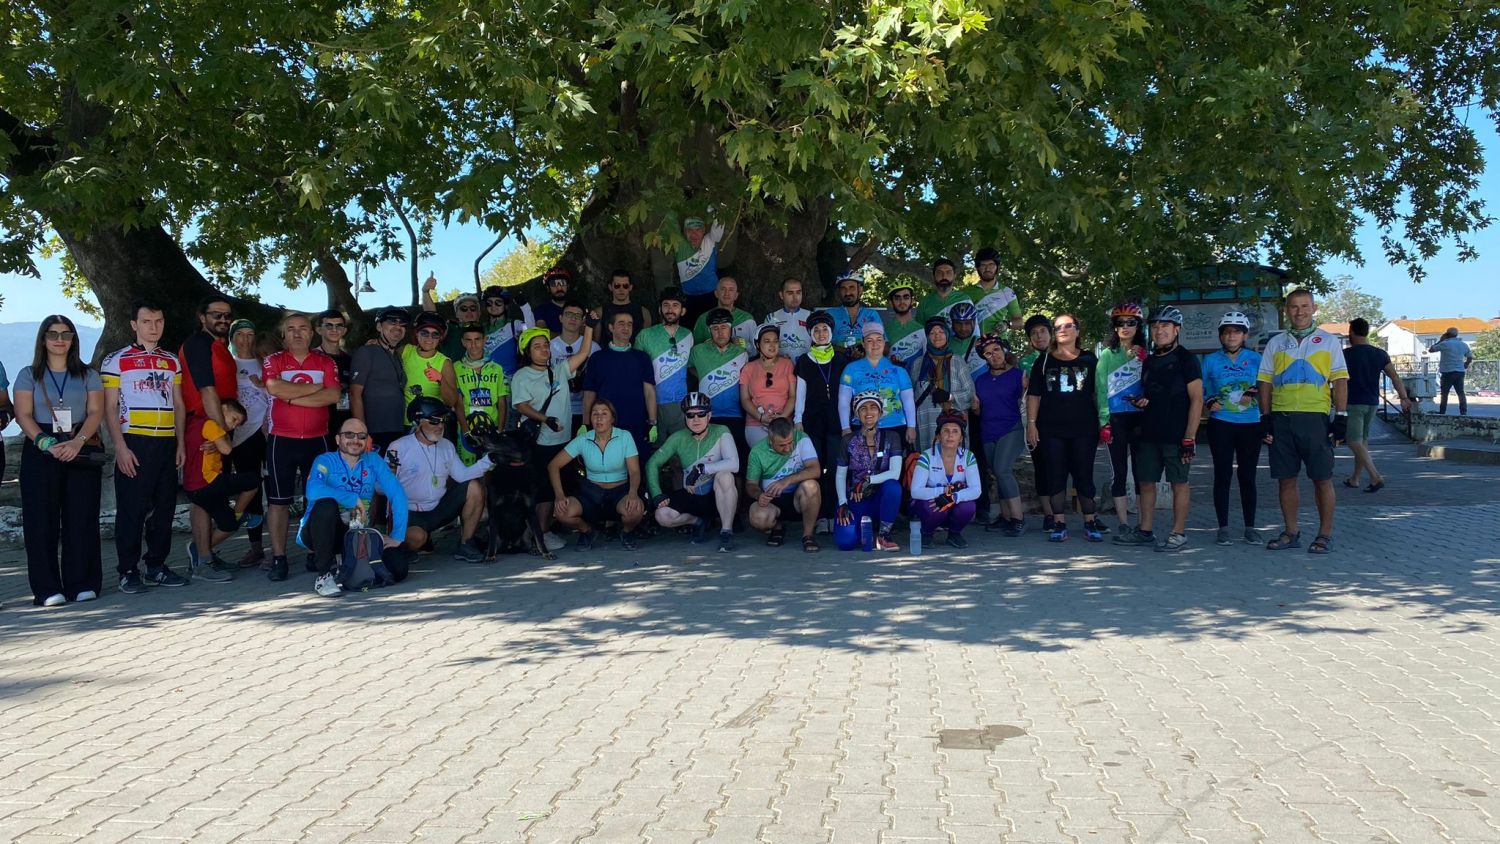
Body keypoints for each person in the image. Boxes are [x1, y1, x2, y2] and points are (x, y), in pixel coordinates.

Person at [14, 315, 105, 606]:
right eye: (53, 334)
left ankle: (82, 583)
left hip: (80, 442)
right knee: (41, 520)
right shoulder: (28, 374)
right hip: (40, 447)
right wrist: (46, 443)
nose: (59, 340)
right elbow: (23, 414)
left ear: (73, 339)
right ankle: (47, 588)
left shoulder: (88, 374)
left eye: (66, 334)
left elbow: (95, 412)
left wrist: (78, 442)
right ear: (43, 339)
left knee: (82, 517)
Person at [102, 300, 190, 593]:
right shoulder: (116, 360)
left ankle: (156, 565)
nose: (154, 327)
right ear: (134, 325)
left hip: (166, 441)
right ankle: (127, 571)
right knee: (132, 509)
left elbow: (179, 404)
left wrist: (180, 443)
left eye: (159, 321)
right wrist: (120, 447)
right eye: (147, 322)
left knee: (164, 508)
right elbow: (109, 407)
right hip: (135, 441)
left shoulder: (172, 360)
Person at [1259, 288, 1349, 555]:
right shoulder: (1276, 343)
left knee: (1322, 478)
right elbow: (1264, 381)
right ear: (1286, 310)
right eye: (1294, 306)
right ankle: (1291, 532)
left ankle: (1324, 535)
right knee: (1285, 479)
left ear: (1314, 308)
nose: (1299, 312)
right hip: (1282, 417)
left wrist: (1341, 416)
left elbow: (1340, 380)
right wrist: (1265, 417)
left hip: (1315, 418)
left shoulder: (1329, 341)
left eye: (1304, 306)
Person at [1114, 306, 1202, 552]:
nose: (1159, 330)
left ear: (1177, 329)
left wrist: (1190, 437)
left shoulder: (1187, 359)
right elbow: (1152, 394)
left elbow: (1197, 399)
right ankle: (1145, 531)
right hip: (1149, 432)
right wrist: (1142, 401)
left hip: (1177, 434)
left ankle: (1178, 533)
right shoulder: (1150, 361)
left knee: (1179, 483)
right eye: (1154, 326)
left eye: (1165, 325)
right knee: (1146, 482)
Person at [262, 312, 342, 581]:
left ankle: (314, 552)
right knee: (278, 502)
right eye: (291, 329)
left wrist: (291, 397)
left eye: (303, 328)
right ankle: (279, 558)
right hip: (281, 440)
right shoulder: (273, 360)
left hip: (318, 439)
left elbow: (333, 395)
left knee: (315, 500)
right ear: (283, 334)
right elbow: (274, 387)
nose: (297, 333)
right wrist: (315, 388)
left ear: (312, 333)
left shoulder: (325, 361)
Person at [299, 417, 409, 596]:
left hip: (357, 535)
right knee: (325, 505)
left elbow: (397, 493)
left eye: (361, 436)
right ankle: (324, 576)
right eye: (349, 434)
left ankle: (347, 564)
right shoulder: (325, 460)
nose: (355, 440)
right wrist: (352, 499)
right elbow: (313, 490)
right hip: (322, 532)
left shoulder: (373, 460)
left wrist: (397, 535)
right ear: (338, 439)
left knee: (399, 569)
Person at [511, 326, 594, 551]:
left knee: (563, 486)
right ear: (527, 352)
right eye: (537, 346)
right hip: (541, 443)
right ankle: (542, 535)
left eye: (546, 345)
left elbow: (584, 352)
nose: (543, 349)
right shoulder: (521, 376)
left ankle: (549, 528)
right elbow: (520, 405)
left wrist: (588, 327)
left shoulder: (559, 370)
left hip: (564, 441)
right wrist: (545, 419)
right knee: (545, 491)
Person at [1025, 312, 1104, 543]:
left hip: (1084, 428)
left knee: (1083, 474)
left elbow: (1098, 393)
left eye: (1068, 326)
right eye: (1058, 327)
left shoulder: (1090, 360)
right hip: (1051, 429)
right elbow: (1034, 395)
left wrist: (1104, 423)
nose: (1062, 330)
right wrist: (1031, 424)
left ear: (1077, 331)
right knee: (1055, 475)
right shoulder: (1044, 361)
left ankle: (1090, 521)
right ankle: (1058, 522)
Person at [388, 396, 494, 563]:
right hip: (409, 512)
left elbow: (462, 476)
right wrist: (390, 475)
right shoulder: (398, 447)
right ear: (417, 422)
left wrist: (490, 460)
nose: (440, 425)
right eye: (434, 421)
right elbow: (379, 489)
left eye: (443, 420)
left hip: (438, 509)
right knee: (418, 538)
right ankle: (407, 546)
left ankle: (467, 543)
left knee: (474, 487)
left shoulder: (447, 445)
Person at [1201, 311, 1267, 545]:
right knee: (1223, 475)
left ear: (1245, 335)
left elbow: (1266, 386)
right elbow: (1201, 389)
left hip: (1250, 424)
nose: (1231, 336)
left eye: (1237, 332)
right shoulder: (1210, 360)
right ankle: (1223, 527)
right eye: (1227, 332)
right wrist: (1208, 401)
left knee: (1247, 475)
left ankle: (1250, 527)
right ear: (1221, 336)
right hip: (1221, 423)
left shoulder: (1256, 358)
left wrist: (1255, 392)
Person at [646, 392, 740, 552]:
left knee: (725, 476)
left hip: (715, 497)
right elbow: (652, 463)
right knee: (662, 515)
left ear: (709, 415)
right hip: (692, 496)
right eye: (690, 415)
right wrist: (657, 494)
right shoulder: (678, 437)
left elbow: (734, 464)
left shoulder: (721, 431)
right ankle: (698, 522)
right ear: (685, 417)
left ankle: (726, 532)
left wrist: (702, 468)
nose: (696, 419)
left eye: (701, 414)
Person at [182, 399, 262, 582]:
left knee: (228, 525)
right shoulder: (210, 424)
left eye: (236, 424)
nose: (233, 426)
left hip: (195, 486)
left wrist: (216, 441)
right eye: (233, 419)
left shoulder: (195, 423)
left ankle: (199, 551)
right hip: (207, 483)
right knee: (254, 480)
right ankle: (240, 514)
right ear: (222, 410)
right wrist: (220, 440)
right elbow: (226, 449)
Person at [550, 399, 647, 550]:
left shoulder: (624, 437)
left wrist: (633, 493)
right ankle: (587, 531)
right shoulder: (583, 439)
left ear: (612, 418)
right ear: (590, 418)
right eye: (595, 414)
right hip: (591, 493)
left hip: (619, 492)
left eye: (604, 413)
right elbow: (553, 465)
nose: (599, 418)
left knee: (635, 510)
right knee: (562, 512)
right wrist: (559, 495)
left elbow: (634, 471)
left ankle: (627, 532)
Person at [793, 310, 850, 535]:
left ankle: (834, 514)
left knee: (835, 469)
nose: (821, 333)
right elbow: (800, 394)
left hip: (836, 422)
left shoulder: (842, 360)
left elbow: (847, 394)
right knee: (814, 470)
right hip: (812, 422)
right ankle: (818, 516)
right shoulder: (803, 361)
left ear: (831, 332)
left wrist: (846, 424)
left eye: (825, 329)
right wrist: (798, 420)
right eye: (816, 330)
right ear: (810, 334)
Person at [1344, 317, 1414, 492]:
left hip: (1353, 402)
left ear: (1351, 332)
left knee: (1353, 441)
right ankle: (1355, 478)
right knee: (1362, 441)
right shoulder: (1380, 354)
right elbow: (1394, 376)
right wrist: (1404, 397)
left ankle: (1375, 477)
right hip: (1372, 402)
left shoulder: (1346, 355)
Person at [1095, 302, 1146, 532]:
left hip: (1140, 418)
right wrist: (1103, 421)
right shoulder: (1107, 355)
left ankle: (1144, 523)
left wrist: (1145, 360)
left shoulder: (1145, 355)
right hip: (1116, 419)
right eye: (1120, 322)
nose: (1125, 326)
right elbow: (1100, 389)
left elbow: (1153, 385)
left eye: (1130, 322)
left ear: (1138, 326)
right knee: (1119, 472)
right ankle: (1124, 523)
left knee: (1142, 472)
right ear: (1114, 327)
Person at [833, 392, 905, 551]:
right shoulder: (848, 440)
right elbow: (840, 475)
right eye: (863, 408)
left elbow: (895, 473)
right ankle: (864, 528)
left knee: (893, 487)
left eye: (873, 408)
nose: (868, 412)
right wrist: (843, 502)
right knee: (845, 542)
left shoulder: (892, 437)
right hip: (856, 499)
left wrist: (868, 480)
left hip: (880, 498)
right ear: (857, 414)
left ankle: (884, 534)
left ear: (880, 412)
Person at [582, 311, 657, 456]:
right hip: (605, 425)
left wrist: (653, 423)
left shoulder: (642, 358)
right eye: (621, 323)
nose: (626, 327)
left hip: (637, 424)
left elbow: (649, 392)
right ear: (611, 327)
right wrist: (585, 423)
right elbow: (589, 392)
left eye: (630, 324)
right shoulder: (597, 358)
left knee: (637, 467)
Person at [973, 335, 1028, 536]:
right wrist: (975, 408)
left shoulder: (1019, 375)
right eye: (988, 353)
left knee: (1002, 469)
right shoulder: (980, 380)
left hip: (1011, 428)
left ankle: (1018, 519)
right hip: (988, 431)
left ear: (1004, 350)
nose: (993, 355)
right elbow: (979, 411)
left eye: (996, 350)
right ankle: (1005, 517)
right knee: (997, 473)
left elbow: (1029, 402)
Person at [227, 319, 270, 568]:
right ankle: (256, 548)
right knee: (251, 488)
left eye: (250, 334)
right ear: (232, 338)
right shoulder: (228, 364)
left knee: (273, 488)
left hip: (267, 431)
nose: (245, 339)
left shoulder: (265, 361)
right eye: (240, 334)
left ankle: (279, 549)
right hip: (240, 435)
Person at [745, 418, 822, 551]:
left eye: (790, 443)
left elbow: (815, 470)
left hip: (798, 497)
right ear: (770, 441)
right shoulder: (757, 451)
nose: (787, 448)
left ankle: (808, 535)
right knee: (757, 517)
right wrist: (759, 495)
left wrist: (786, 481)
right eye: (781, 445)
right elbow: (751, 485)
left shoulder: (802, 438)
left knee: (812, 486)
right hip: (772, 501)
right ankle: (777, 527)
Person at [838, 322, 917, 449]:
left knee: (895, 460)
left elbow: (908, 400)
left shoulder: (898, 370)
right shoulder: (851, 369)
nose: (875, 344)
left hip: (895, 426)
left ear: (884, 343)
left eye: (879, 340)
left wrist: (911, 426)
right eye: (870, 340)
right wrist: (845, 427)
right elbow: (843, 401)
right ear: (863, 343)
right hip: (862, 426)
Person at [909, 412, 983, 547]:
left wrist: (954, 497)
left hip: (953, 503)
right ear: (938, 436)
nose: (950, 435)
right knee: (935, 506)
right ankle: (926, 533)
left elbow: (976, 490)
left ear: (961, 438)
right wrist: (943, 492)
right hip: (930, 506)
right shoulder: (926, 456)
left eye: (955, 431)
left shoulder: (968, 456)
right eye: (946, 431)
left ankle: (954, 534)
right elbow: (915, 491)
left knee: (968, 506)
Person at [688, 308, 750, 458]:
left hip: (735, 415)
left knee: (738, 459)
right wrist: (703, 374)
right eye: (715, 328)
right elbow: (690, 368)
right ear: (709, 330)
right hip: (707, 415)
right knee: (709, 459)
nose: (720, 332)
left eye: (724, 327)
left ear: (731, 329)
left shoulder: (741, 352)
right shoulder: (697, 351)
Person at [350, 306, 412, 453]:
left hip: (397, 428)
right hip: (375, 431)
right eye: (392, 322)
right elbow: (354, 394)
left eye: (402, 323)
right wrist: (361, 433)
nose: (398, 326)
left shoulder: (397, 356)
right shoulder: (366, 352)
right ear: (379, 327)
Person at [635, 287, 695, 437]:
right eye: (666, 305)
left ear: (683, 310)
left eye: (675, 305)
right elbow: (635, 371)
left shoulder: (688, 335)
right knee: (654, 447)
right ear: (660, 309)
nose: (670, 310)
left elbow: (691, 367)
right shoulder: (645, 335)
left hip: (680, 404)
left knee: (679, 448)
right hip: (652, 403)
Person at [910, 316, 975, 448]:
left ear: (947, 335)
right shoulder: (918, 364)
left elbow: (970, 392)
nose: (937, 336)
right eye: (932, 333)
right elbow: (911, 396)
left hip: (953, 423)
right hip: (926, 421)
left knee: (954, 457)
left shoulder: (957, 361)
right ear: (927, 337)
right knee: (929, 456)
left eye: (941, 332)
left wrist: (949, 396)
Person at [178, 294, 239, 432]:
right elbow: (206, 389)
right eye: (217, 315)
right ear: (202, 318)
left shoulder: (219, 346)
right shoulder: (198, 343)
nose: (223, 320)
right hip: (204, 425)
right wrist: (221, 431)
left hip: (219, 423)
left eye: (228, 316)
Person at [1018, 313, 1055, 531]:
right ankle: (1049, 514)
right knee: (1041, 467)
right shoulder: (1025, 362)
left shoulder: (1065, 355)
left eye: (1043, 331)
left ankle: (1089, 516)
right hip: (1037, 421)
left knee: (1069, 466)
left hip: (1064, 420)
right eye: (1034, 333)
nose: (1039, 336)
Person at [454, 323, 510, 465]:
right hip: (467, 428)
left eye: (477, 339)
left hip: (492, 428)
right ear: (462, 342)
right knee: (468, 469)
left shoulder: (497, 368)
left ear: (485, 340)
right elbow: (458, 403)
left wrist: (500, 430)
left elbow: (502, 401)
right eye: (468, 340)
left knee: (490, 469)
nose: (473, 345)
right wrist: (466, 432)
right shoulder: (456, 368)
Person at [740, 324, 797, 448]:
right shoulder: (748, 368)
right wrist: (760, 417)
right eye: (767, 341)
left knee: (783, 455)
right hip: (756, 424)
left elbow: (793, 396)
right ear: (757, 344)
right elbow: (745, 399)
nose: (772, 345)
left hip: (784, 423)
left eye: (775, 341)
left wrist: (782, 417)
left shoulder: (787, 364)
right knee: (763, 456)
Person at [551, 300, 600, 432]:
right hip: (556, 409)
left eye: (577, 316)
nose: (573, 318)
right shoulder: (549, 347)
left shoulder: (594, 348)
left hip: (585, 410)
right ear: (560, 318)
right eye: (568, 314)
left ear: (584, 321)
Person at [403, 312, 460, 412]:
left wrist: (441, 379)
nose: (429, 338)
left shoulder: (445, 363)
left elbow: (451, 402)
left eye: (435, 334)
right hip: (404, 419)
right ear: (416, 333)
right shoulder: (405, 351)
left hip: (432, 420)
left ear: (440, 338)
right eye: (424, 333)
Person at [675, 214, 727, 324]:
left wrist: (719, 208)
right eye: (690, 230)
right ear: (685, 232)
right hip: (689, 297)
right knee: (689, 328)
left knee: (712, 326)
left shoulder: (710, 240)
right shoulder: (678, 244)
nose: (694, 234)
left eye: (698, 230)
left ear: (704, 231)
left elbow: (718, 226)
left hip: (711, 295)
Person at [419, 273, 482, 360]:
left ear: (479, 313)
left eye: (473, 308)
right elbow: (432, 316)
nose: (469, 311)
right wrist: (425, 292)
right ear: (457, 314)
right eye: (463, 309)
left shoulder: (488, 329)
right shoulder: (451, 329)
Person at [479, 285, 535, 379]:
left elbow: (532, 331)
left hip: (510, 379)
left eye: (498, 302)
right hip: (488, 380)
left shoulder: (514, 325)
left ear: (506, 305)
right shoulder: (481, 328)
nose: (493, 306)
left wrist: (524, 306)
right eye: (489, 303)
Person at [314, 308, 354, 437]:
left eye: (339, 326)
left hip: (344, 420)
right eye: (329, 326)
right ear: (319, 329)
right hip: (317, 420)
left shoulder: (350, 360)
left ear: (344, 330)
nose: (334, 330)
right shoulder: (311, 357)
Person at [969, 247, 1025, 334]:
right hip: (974, 340)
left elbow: (1020, 322)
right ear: (978, 268)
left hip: (999, 340)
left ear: (998, 267)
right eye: (983, 265)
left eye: (991, 265)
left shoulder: (1007, 293)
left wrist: (1007, 324)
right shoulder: (965, 293)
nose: (987, 269)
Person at [692, 275, 756, 348]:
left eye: (731, 290)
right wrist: (707, 345)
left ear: (736, 295)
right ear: (716, 293)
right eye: (723, 289)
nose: (727, 293)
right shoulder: (704, 318)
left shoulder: (747, 319)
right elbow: (695, 349)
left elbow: (758, 348)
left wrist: (746, 345)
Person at [828, 271, 884, 356]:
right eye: (843, 288)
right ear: (839, 291)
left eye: (852, 287)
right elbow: (818, 344)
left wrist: (863, 351)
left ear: (860, 290)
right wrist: (846, 351)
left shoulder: (871, 315)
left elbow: (884, 346)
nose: (847, 293)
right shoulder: (829, 315)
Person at [761, 277, 811, 360]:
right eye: (790, 293)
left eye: (798, 292)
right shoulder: (771, 318)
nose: (795, 297)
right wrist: (778, 358)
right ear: (781, 295)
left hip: (806, 365)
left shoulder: (811, 316)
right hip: (779, 366)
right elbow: (764, 347)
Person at [1428, 327, 1473, 415]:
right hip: (1460, 371)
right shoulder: (1463, 344)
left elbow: (1431, 349)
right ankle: (1463, 412)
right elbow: (1470, 357)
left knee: (1444, 393)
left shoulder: (1445, 344)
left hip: (1447, 372)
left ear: (1447, 334)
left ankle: (1442, 411)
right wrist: (1466, 364)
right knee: (1460, 392)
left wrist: (1440, 340)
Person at [600, 269, 653, 343]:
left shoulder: (644, 312)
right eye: (617, 286)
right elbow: (596, 342)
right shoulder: (600, 312)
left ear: (630, 287)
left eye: (625, 286)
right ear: (610, 287)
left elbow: (646, 342)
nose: (621, 289)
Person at [882, 284, 926, 367]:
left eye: (906, 297)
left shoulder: (922, 330)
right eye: (897, 298)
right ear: (891, 303)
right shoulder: (884, 331)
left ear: (912, 301)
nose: (902, 301)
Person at [914, 258, 968, 324]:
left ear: (954, 276)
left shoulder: (964, 299)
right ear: (934, 276)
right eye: (939, 273)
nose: (944, 276)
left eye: (948, 272)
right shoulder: (925, 302)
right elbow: (919, 329)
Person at [532, 266, 573, 335]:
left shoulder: (576, 308)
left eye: (562, 282)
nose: (559, 287)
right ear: (548, 288)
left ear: (568, 286)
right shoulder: (541, 310)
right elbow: (542, 333)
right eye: (554, 284)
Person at [947, 302, 982, 374]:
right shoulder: (944, 345)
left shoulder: (983, 342)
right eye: (958, 323)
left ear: (974, 323)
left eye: (967, 323)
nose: (963, 328)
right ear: (952, 323)